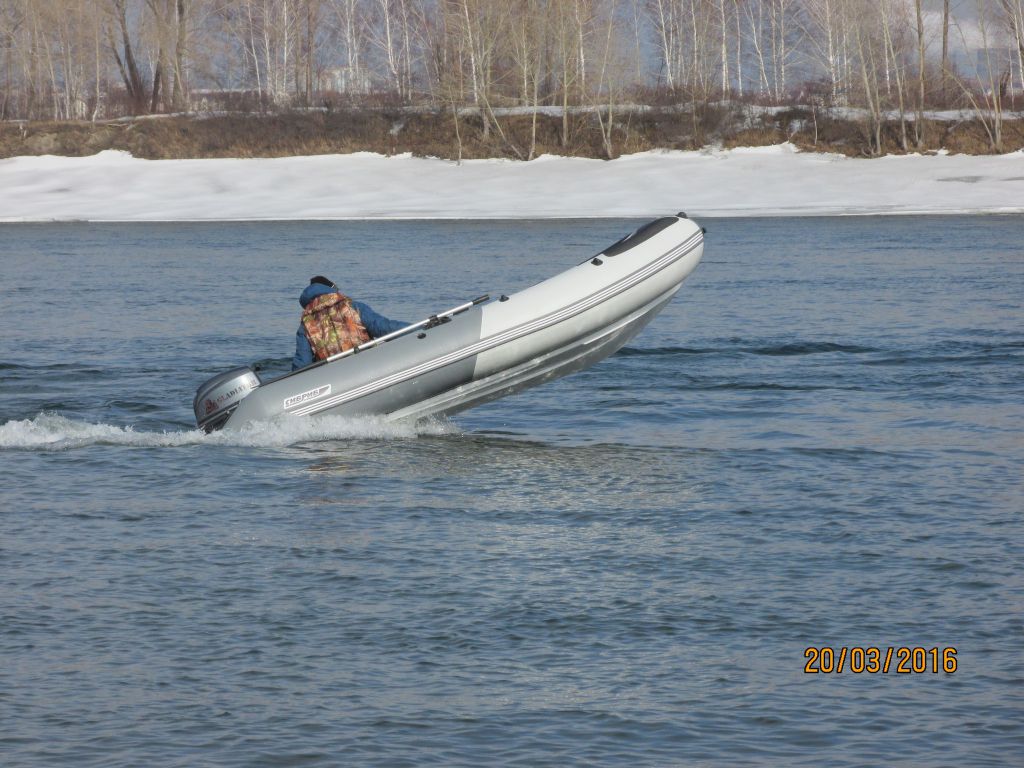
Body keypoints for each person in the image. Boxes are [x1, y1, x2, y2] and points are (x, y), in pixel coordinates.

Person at [292, 276, 408, 370]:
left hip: (335, 378)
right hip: (368, 366)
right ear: (332, 290)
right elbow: (384, 327)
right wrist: (415, 329)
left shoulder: (305, 326)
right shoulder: (353, 308)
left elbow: (302, 363)